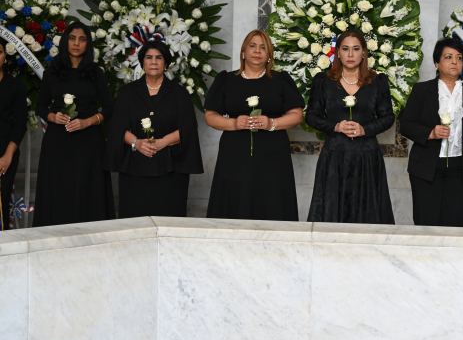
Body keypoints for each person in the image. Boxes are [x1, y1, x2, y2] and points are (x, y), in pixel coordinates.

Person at [204, 30, 304, 221]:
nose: (257, 51)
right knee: (234, 205)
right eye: (252, 46)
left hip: (273, 157)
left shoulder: (281, 80)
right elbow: (210, 116)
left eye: (263, 47)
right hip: (234, 156)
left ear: (269, 55)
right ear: (243, 52)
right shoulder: (226, 80)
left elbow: (297, 114)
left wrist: (272, 123)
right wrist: (233, 123)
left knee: (272, 202)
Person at [401, 38, 463, 227]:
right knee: (426, 222)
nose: (454, 62)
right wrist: (431, 133)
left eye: (459, 58)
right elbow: (406, 124)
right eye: (448, 57)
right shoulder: (421, 90)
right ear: (437, 62)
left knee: (456, 223)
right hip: (426, 168)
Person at [105, 39, 203, 218]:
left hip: (171, 170)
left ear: (166, 64)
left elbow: (188, 129)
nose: (153, 62)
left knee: (169, 219)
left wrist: (163, 142)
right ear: (142, 62)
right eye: (149, 57)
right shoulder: (127, 92)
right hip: (134, 169)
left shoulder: (179, 93)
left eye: (159, 58)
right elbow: (117, 128)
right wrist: (137, 142)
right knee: (134, 222)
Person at [305, 30, 395, 224]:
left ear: (364, 52)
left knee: (368, 215)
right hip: (334, 157)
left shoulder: (377, 81)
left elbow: (388, 117)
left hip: (367, 158)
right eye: (345, 49)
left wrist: (365, 129)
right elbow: (311, 116)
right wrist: (335, 126)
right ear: (337, 52)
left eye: (356, 49)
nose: (351, 54)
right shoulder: (323, 81)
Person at [34, 22, 115, 226]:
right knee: (58, 189)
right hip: (57, 142)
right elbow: (41, 106)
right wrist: (53, 117)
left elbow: (109, 108)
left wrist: (87, 122)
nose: (76, 43)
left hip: (89, 143)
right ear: (65, 42)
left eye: (82, 39)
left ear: (87, 44)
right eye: (72, 38)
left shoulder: (96, 73)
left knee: (88, 189)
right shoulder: (51, 72)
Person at [0, 38, 27, 230]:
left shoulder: (16, 86)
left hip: (5, 152)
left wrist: (8, 155)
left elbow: (20, 124)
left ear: (5, 55)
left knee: (2, 200)